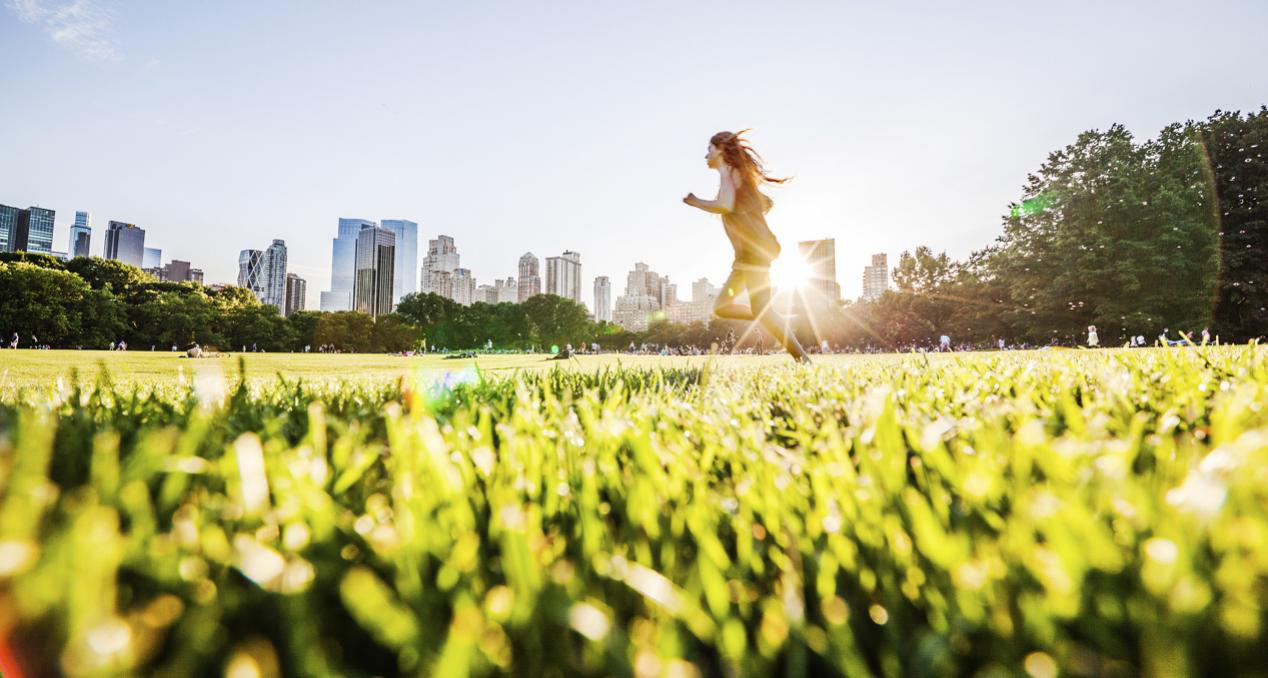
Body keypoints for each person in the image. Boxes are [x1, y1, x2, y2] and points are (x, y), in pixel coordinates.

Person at [684, 130, 810, 363]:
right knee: (723, 307)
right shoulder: (735, 174)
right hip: (747, 256)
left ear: (721, 149)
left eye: (708, 150)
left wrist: (696, 202)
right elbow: (764, 202)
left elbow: (725, 204)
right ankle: (772, 317)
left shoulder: (728, 171)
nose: (705, 156)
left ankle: (799, 354)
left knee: (753, 309)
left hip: (753, 255)